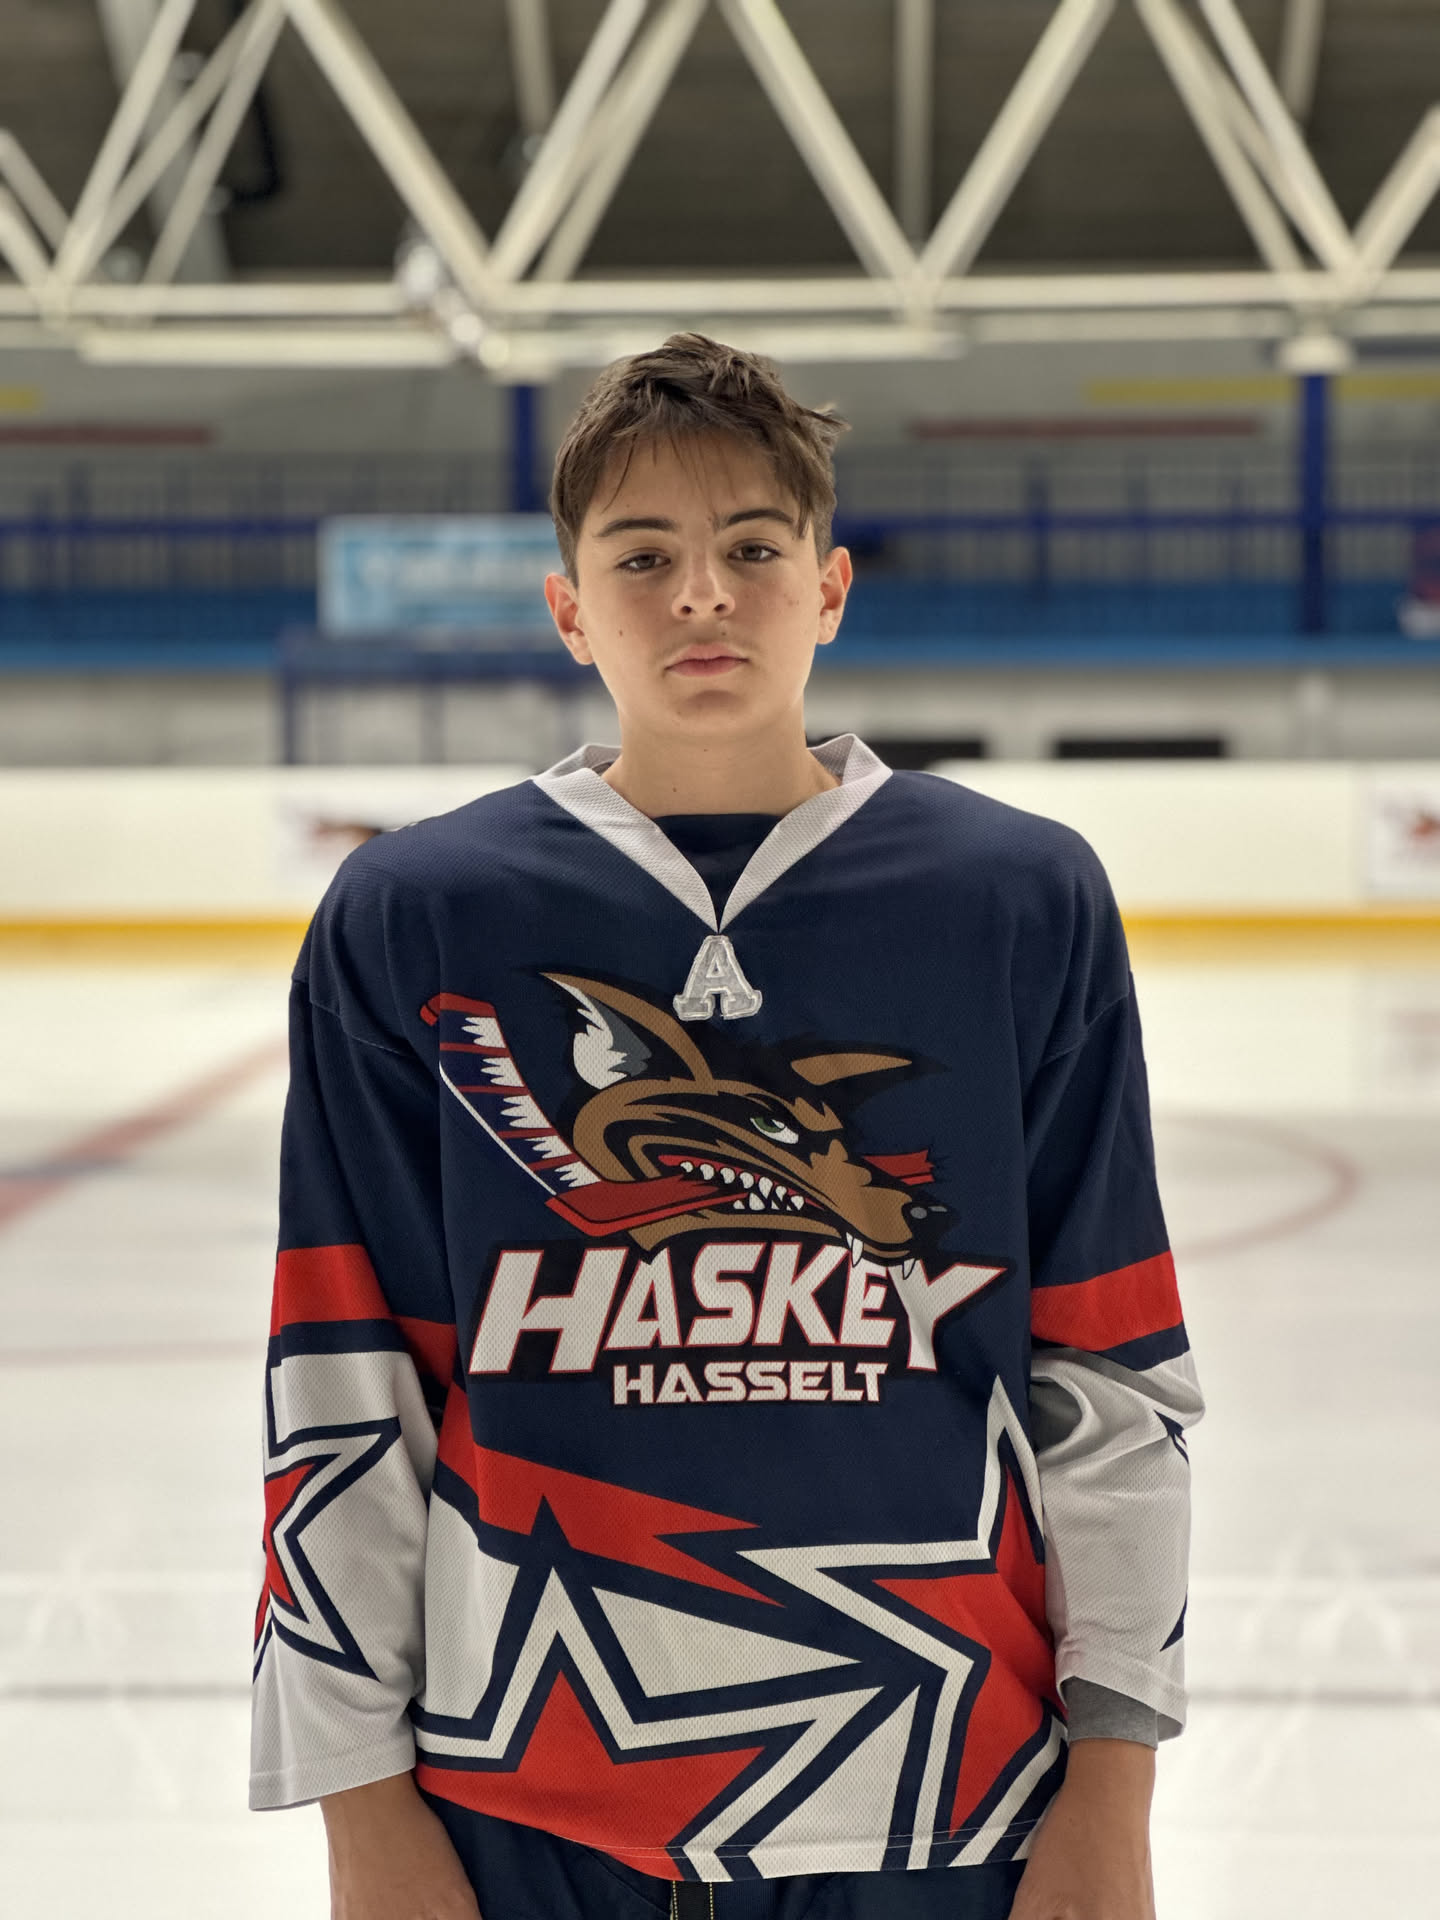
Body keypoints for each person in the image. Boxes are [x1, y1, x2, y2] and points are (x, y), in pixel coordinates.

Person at [251, 333, 1202, 1920]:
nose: (702, 594)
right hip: (522, 1804)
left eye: (753, 550)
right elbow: (344, 1380)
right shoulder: (415, 916)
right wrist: (361, 1809)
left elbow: (1108, 1371)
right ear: (569, 609)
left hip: (946, 1795)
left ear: (829, 589)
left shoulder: (1016, 901)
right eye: (643, 557)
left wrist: (1115, 1786)